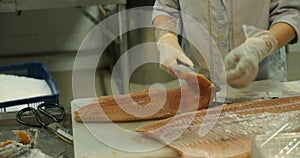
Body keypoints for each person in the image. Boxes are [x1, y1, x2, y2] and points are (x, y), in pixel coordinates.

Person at [153, 0, 300, 88]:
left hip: (260, 84)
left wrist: (259, 46)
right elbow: (166, 7)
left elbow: (291, 12)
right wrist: (167, 38)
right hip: (197, 86)